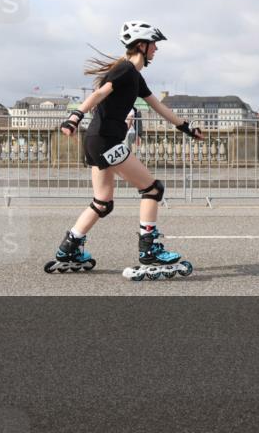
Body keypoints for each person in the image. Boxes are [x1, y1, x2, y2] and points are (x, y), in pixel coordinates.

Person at [43, 21, 204, 278]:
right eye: (154, 45)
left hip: (97, 141)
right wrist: (75, 116)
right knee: (153, 188)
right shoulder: (125, 69)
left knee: (102, 202)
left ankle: (69, 248)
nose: (156, 50)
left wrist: (187, 127)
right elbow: (99, 93)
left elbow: (158, 107)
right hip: (106, 141)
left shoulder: (135, 77)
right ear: (142, 45)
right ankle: (148, 250)